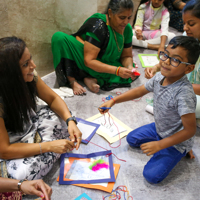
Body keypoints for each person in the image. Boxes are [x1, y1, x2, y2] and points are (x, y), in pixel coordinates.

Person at [98, 36, 200, 183]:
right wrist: (113, 100)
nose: (165, 61)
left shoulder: (184, 94)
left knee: (151, 176)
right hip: (160, 128)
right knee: (132, 139)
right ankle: (166, 141)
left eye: (175, 60)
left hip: (176, 142)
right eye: (165, 54)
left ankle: (183, 149)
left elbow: (190, 131)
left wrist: (160, 145)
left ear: (189, 68)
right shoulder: (160, 77)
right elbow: (140, 90)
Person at [0, 36, 82, 181]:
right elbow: (5, 151)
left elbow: (53, 98)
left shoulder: (30, 76)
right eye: (26, 64)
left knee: (61, 118)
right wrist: (48, 146)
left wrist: (70, 121)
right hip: (7, 142)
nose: (33, 66)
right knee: (20, 175)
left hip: (27, 123)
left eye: (30, 59)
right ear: (10, 74)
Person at [51, 0, 139, 95]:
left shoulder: (127, 29)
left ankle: (93, 79)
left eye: (129, 18)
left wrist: (129, 67)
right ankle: (72, 81)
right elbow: (89, 61)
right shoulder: (99, 25)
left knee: (129, 71)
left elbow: (126, 56)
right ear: (110, 13)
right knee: (58, 38)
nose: (126, 22)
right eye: (122, 18)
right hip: (86, 60)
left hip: (105, 61)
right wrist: (116, 71)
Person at [145, 0, 200, 121]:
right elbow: (172, 56)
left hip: (192, 90)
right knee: (163, 83)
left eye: (191, 24)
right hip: (186, 86)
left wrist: (180, 86)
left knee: (186, 104)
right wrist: (156, 67)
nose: (185, 28)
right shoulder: (187, 36)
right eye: (185, 23)